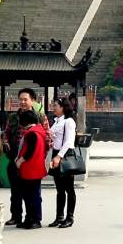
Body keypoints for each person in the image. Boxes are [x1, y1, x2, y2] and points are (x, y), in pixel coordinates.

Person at [3, 88, 52, 227]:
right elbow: (6, 133)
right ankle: (16, 216)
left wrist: (41, 156)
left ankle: (33, 218)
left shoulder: (40, 117)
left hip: (31, 160)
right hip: (15, 158)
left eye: (26, 99)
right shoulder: (13, 117)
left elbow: (47, 136)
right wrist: (6, 144)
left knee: (32, 191)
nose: (23, 102)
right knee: (16, 191)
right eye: (21, 99)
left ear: (32, 100)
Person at [15, 110, 48, 230]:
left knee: (31, 196)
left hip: (31, 169)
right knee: (31, 195)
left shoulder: (32, 133)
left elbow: (30, 152)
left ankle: (34, 219)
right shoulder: (39, 131)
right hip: (36, 168)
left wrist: (20, 160)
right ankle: (30, 218)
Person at [48, 98, 77, 228]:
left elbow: (68, 142)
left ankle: (69, 217)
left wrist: (59, 157)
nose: (53, 108)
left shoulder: (69, 121)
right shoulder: (56, 121)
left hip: (64, 155)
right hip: (56, 153)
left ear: (63, 107)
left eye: (55, 106)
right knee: (59, 189)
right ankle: (59, 216)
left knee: (69, 188)